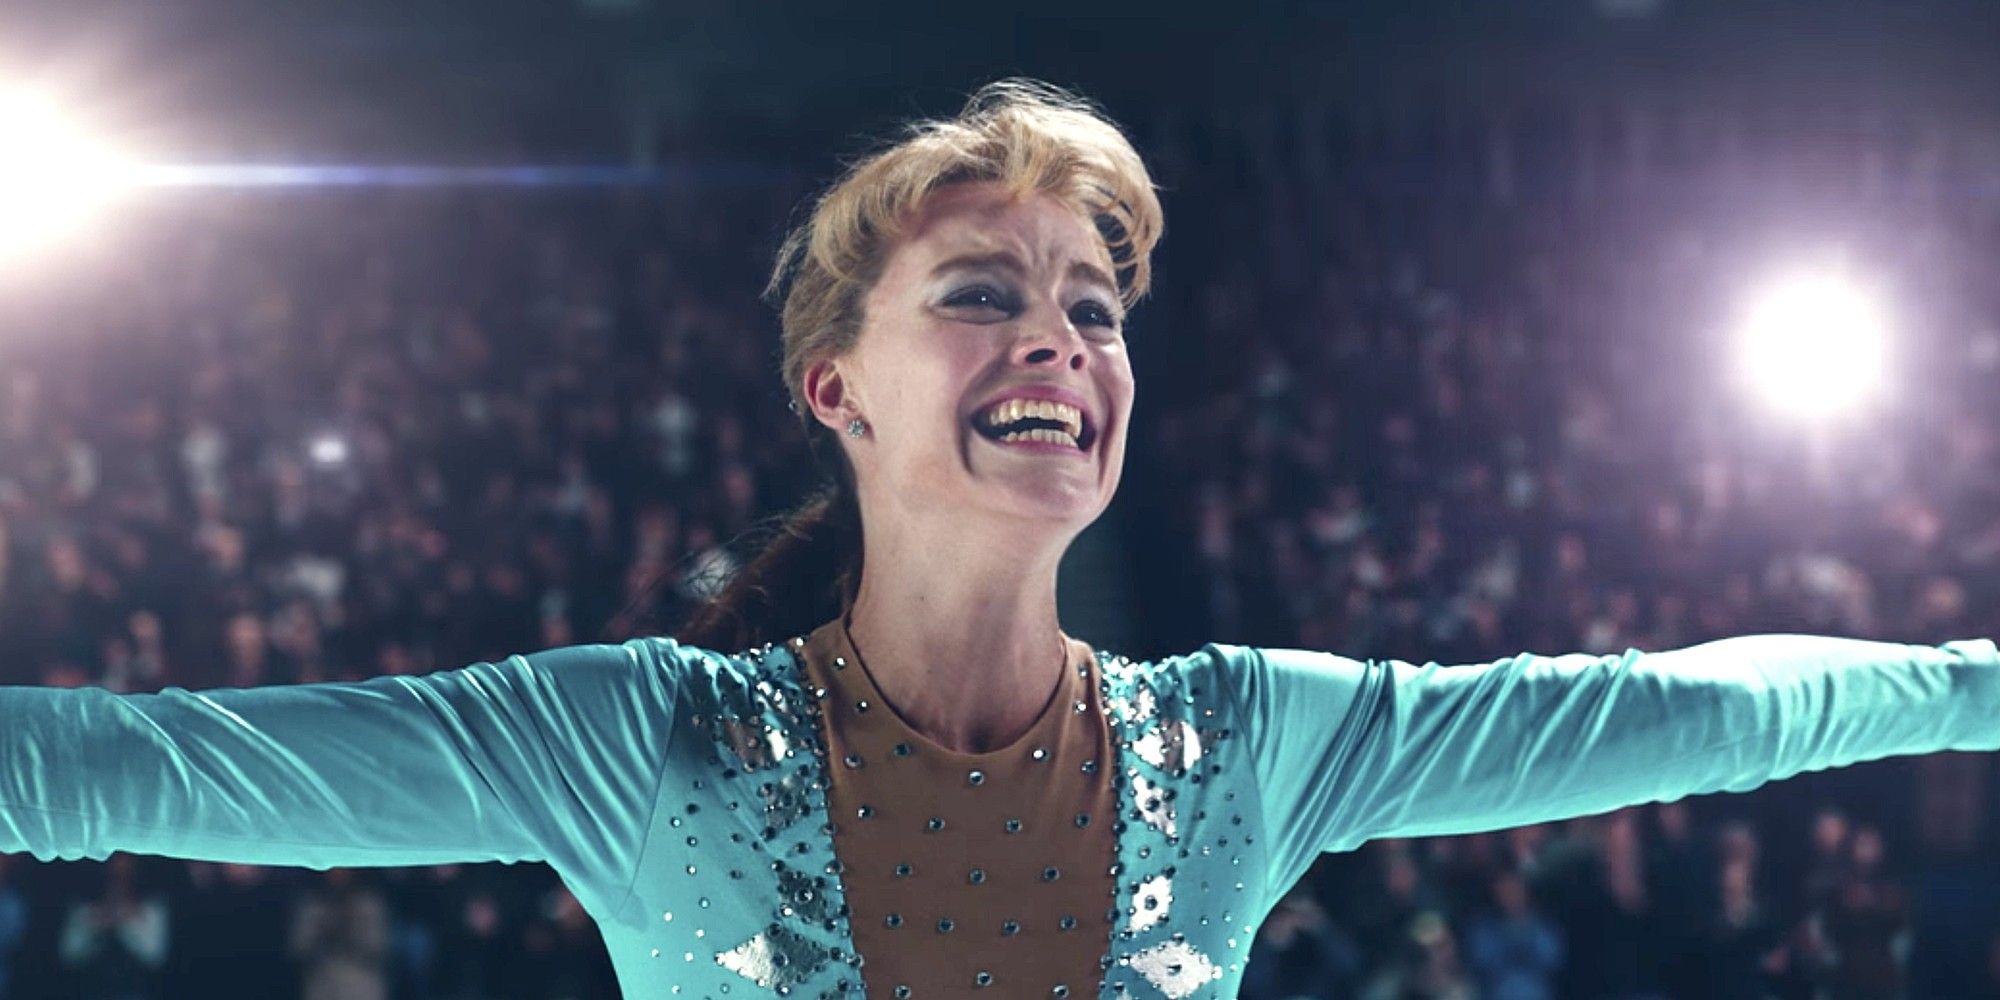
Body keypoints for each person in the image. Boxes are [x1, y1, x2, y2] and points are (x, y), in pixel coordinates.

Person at [3, 76, 1999, 1000]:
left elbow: (1693, 706)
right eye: (981, 288)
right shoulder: (635, 744)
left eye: (1094, 305)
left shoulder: (1251, 740)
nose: (1057, 332)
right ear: (836, 387)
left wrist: (1976, 681)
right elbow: (110, 767)